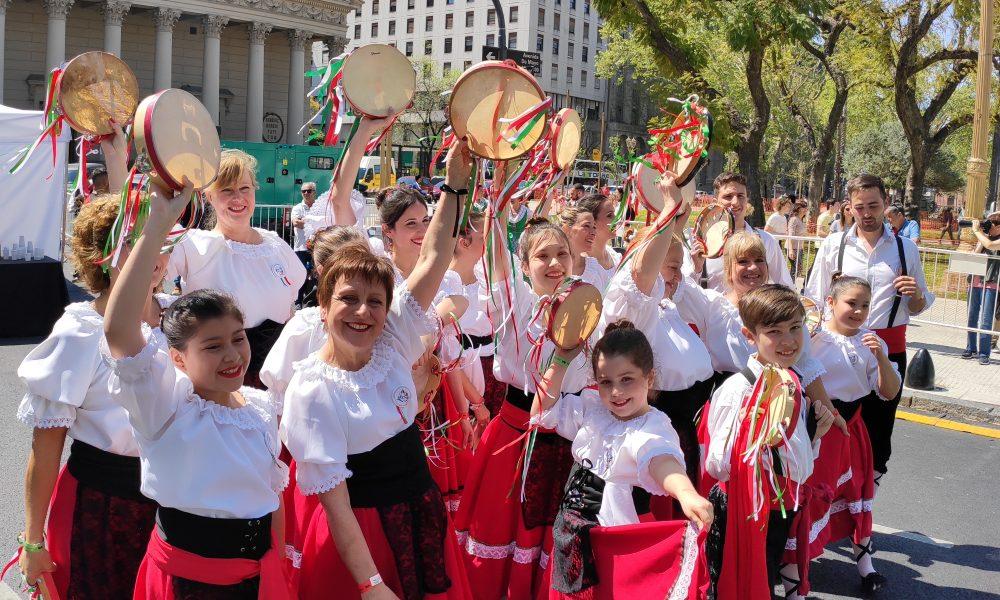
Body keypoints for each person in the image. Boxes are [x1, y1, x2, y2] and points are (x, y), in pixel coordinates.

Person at [279, 139, 473, 600]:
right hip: (361, 540)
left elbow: (433, 259)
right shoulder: (312, 387)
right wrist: (370, 583)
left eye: (375, 301)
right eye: (347, 299)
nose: (362, 312)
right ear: (323, 307)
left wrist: (455, 185)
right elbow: (337, 507)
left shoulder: (391, 343)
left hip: (420, 512)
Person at [104, 179, 291, 599]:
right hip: (189, 584)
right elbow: (119, 332)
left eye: (237, 338)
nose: (232, 356)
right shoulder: (166, 408)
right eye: (212, 345)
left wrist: (279, 565)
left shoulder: (260, 407)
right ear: (178, 359)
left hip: (259, 579)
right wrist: (156, 227)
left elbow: (270, 499)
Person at [14, 194, 169, 599]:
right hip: (98, 508)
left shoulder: (182, 320)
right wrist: (33, 540)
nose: (153, 254)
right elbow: (46, 446)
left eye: (160, 241)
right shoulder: (81, 332)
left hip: (174, 506)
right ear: (104, 256)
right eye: (134, 243)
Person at [454, 217, 594, 600]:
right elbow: (497, 262)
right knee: (504, 533)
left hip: (569, 443)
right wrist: (497, 199)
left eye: (561, 254)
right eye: (542, 256)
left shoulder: (587, 308)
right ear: (524, 265)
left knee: (557, 538)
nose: (554, 263)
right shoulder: (516, 306)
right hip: (516, 440)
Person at [533, 322, 713, 598]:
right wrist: (561, 358)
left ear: (649, 378)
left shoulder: (652, 426)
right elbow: (541, 413)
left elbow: (660, 458)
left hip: (613, 540)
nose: (616, 392)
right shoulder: (593, 409)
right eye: (606, 382)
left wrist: (686, 492)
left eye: (627, 379)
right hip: (572, 534)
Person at [704, 284, 833, 600]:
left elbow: (799, 457)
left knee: (762, 583)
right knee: (734, 589)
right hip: (742, 513)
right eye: (774, 331)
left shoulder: (792, 382)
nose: (788, 341)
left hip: (777, 510)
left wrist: (815, 435)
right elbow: (718, 464)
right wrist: (757, 444)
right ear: (750, 336)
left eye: (794, 328)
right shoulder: (738, 392)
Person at [805, 174, 934, 489]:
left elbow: (918, 305)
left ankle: (863, 514)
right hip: (835, 350)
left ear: (886, 204)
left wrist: (913, 295)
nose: (867, 213)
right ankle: (825, 511)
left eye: (873, 205)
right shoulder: (834, 245)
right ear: (849, 208)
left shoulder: (906, 249)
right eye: (859, 207)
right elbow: (811, 301)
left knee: (878, 438)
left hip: (886, 349)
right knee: (830, 430)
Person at [784, 276, 900, 599]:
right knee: (814, 499)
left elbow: (889, 392)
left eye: (865, 305)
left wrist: (880, 359)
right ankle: (796, 577)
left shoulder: (872, 343)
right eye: (852, 303)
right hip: (822, 428)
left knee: (858, 496)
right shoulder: (814, 341)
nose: (859, 311)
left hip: (853, 428)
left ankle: (866, 566)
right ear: (831, 303)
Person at [600, 176, 714, 489]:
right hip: (650, 437)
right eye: (674, 268)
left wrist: (676, 220)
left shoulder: (667, 307)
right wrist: (668, 209)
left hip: (681, 431)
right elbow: (643, 271)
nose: (681, 275)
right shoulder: (636, 306)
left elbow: (664, 261)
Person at [165, 150, 307, 388]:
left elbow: (290, 308)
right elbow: (146, 272)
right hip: (221, 379)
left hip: (280, 377)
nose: (238, 198)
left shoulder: (275, 245)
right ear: (209, 196)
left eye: (244, 188)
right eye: (226, 190)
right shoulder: (194, 245)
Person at [685, 172, 794, 291]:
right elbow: (681, 291)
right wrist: (697, 270)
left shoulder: (766, 241)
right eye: (728, 196)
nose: (735, 202)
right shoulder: (697, 243)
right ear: (715, 201)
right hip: (709, 309)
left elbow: (785, 287)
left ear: (747, 199)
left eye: (741, 196)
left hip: (751, 309)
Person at [963, 215, 1000, 364]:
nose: (992, 225)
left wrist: (976, 231)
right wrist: (982, 235)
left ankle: (984, 353)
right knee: (972, 315)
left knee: (986, 318)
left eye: (995, 222)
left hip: (991, 282)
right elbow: (976, 254)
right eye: (991, 222)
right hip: (976, 280)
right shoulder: (984, 238)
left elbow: (991, 246)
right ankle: (971, 347)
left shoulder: (995, 241)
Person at [558, 206, 607, 289]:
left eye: (594, 227)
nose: (594, 232)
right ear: (566, 229)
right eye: (586, 226)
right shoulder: (552, 266)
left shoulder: (594, 269)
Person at [292, 182, 319, 305]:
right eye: (303, 191)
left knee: (316, 275)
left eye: (309, 191)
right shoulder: (297, 208)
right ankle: (298, 301)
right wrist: (314, 223)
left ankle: (312, 301)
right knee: (300, 274)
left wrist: (306, 221)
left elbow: (324, 224)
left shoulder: (319, 207)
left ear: (314, 192)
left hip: (317, 247)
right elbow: (296, 223)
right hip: (301, 247)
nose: (306, 193)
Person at [787, 201, 808, 278]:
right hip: (793, 248)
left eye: (806, 207)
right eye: (803, 207)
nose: (805, 209)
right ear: (798, 209)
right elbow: (790, 235)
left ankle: (792, 285)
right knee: (795, 269)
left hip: (799, 248)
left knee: (797, 269)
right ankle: (790, 286)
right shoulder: (794, 219)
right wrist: (791, 250)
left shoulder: (800, 220)